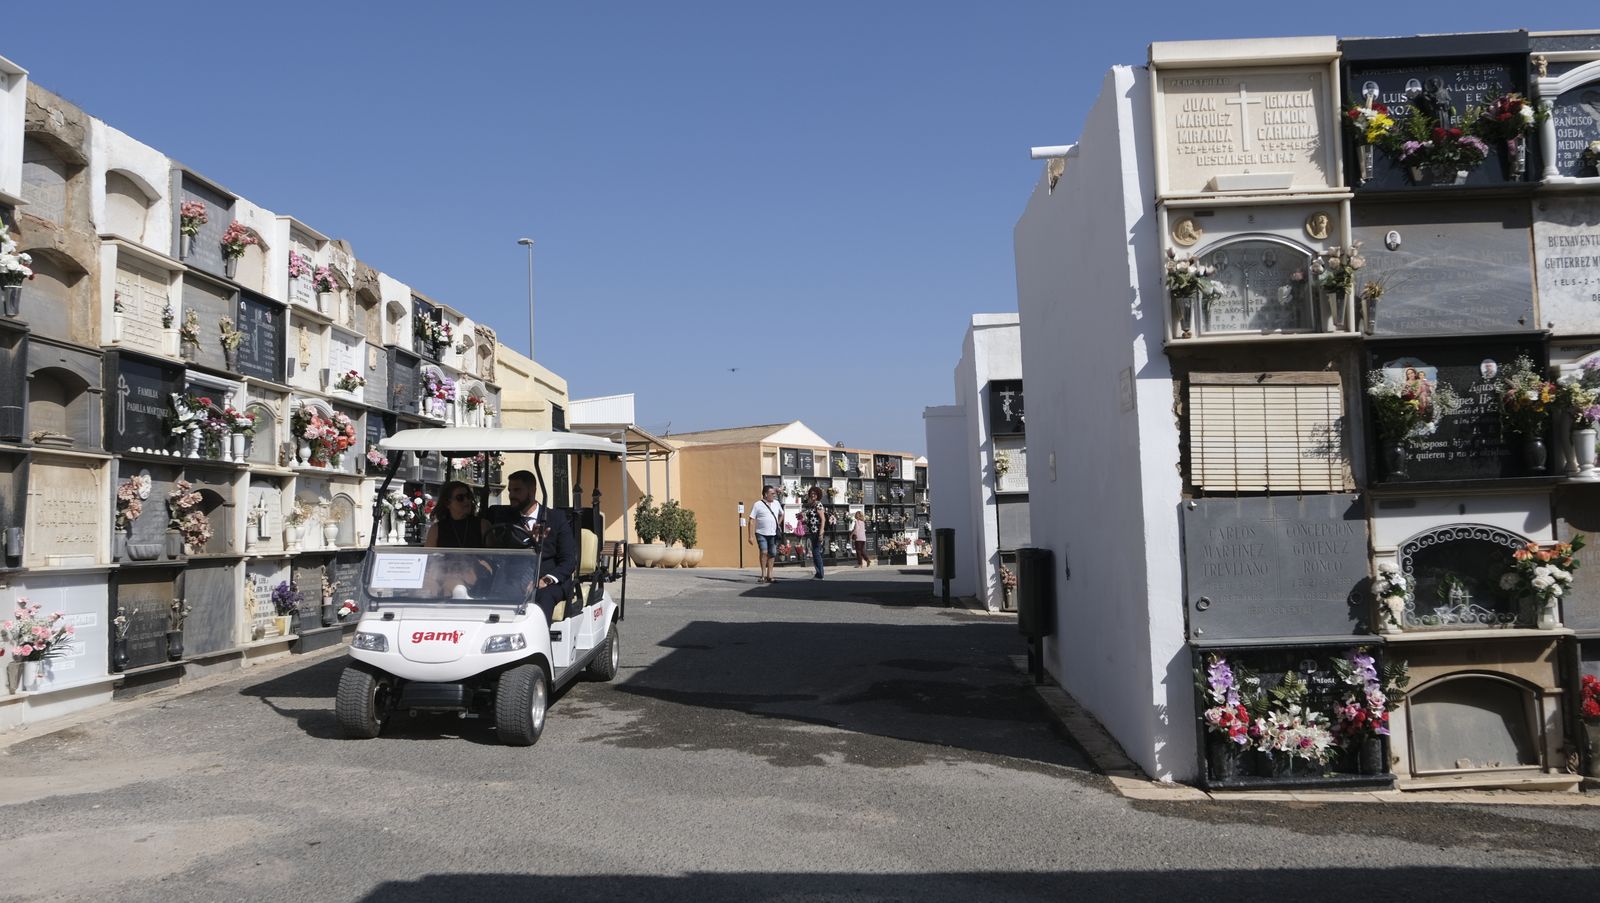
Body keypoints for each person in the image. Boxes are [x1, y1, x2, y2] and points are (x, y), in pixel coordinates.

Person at [485, 470, 576, 620]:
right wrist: (529, 541)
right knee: (494, 594)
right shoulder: (506, 518)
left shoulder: (556, 518)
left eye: (517, 490)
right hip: (514, 577)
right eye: (510, 490)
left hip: (547, 581)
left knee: (543, 598)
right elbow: (502, 552)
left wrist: (545, 580)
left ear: (532, 491)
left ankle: (540, 640)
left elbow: (569, 560)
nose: (511, 495)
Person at [424, 480, 491, 548]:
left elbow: (493, 556)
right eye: (460, 498)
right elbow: (429, 556)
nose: (466, 500)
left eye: (468, 496)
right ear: (447, 503)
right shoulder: (436, 529)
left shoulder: (483, 525)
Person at [747, 484, 782, 583]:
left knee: (772, 553)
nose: (774, 495)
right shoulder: (757, 504)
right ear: (766, 494)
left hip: (773, 533)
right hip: (761, 533)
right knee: (764, 552)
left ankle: (770, 575)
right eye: (772, 493)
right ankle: (763, 574)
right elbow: (751, 520)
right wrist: (750, 536)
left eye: (774, 493)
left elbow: (782, 514)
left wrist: (778, 524)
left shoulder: (776, 503)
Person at [802, 486, 826, 579]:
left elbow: (823, 519)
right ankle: (818, 573)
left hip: (817, 531)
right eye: (811, 494)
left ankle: (820, 574)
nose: (813, 495)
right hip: (812, 531)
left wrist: (821, 533)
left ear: (818, 495)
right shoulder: (812, 505)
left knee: (816, 552)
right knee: (815, 552)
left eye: (814, 494)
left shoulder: (818, 504)